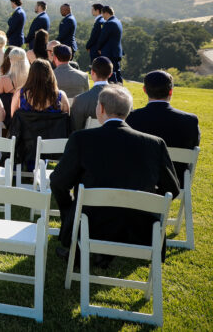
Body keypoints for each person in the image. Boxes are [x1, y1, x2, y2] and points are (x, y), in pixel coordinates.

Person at [49, 85, 179, 256]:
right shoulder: (155, 144)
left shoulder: (81, 139)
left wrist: (70, 211)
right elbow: (172, 189)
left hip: (91, 226)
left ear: (101, 108)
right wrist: (144, 201)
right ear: (128, 111)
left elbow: (58, 182)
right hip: (140, 229)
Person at [126, 70, 201, 185]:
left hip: (139, 179)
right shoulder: (190, 121)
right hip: (175, 182)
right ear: (170, 91)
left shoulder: (131, 118)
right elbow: (193, 147)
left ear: (145, 90)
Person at [69, 56, 112, 131]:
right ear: (110, 74)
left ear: (92, 73)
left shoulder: (80, 100)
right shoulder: (123, 97)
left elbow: (75, 128)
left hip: (87, 141)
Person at [0, 47, 29, 124]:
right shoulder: (31, 77)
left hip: (10, 119)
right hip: (29, 118)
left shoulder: (4, 79)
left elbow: (0, 100)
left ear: (10, 60)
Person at [95, 5, 124, 83]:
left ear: (106, 13)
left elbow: (102, 38)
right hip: (116, 51)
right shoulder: (118, 21)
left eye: (102, 14)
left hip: (109, 52)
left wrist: (98, 48)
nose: (102, 16)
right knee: (117, 72)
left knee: (110, 73)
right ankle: (120, 88)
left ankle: (113, 89)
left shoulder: (109, 23)